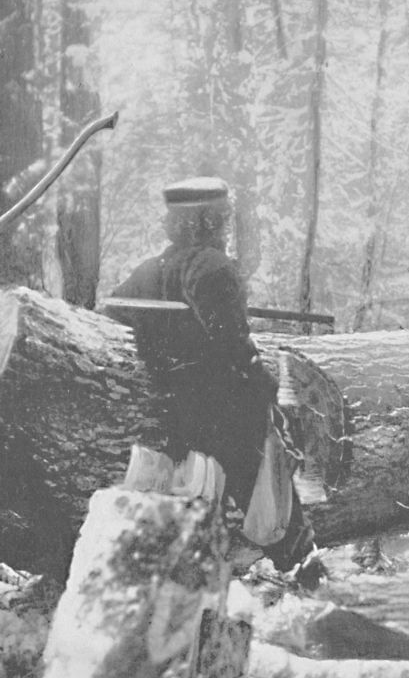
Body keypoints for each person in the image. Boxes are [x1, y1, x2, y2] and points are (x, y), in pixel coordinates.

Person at [106, 176, 314, 572]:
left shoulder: (151, 270)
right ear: (210, 221)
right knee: (269, 482)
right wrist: (266, 385)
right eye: (222, 219)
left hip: (175, 408)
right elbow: (231, 342)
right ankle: (303, 569)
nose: (226, 227)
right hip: (223, 406)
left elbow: (113, 311)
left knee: (197, 497)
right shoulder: (214, 267)